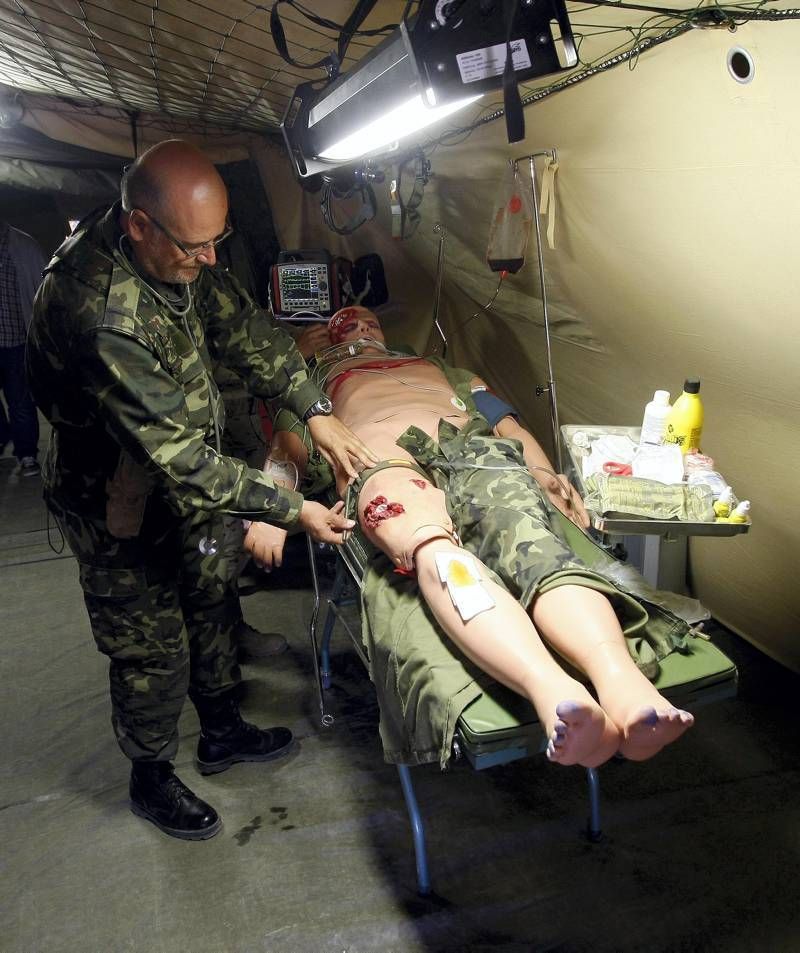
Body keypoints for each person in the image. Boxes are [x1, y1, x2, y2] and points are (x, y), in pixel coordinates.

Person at [25, 140, 377, 841]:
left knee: (210, 590)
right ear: (139, 228)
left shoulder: (179, 250)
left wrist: (314, 409)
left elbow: (246, 329)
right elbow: (178, 459)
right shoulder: (99, 313)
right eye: (195, 248)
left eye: (219, 241)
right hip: (116, 497)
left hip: (189, 472)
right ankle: (150, 774)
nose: (210, 260)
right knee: (149, 640)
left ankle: (221, 727)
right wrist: (291, 507)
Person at [244, 306, 695, 769]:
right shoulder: (310, 383)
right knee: (435, 552)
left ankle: (623, 686)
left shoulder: (442, 368)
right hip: (379, 461)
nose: (361, 330)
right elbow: (285, 453)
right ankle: (553, 693)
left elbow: (508, 426)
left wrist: (544, 476)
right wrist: (271, 512)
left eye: (370, 323)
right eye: (346, 326)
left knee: (535, 549)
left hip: (472, 450)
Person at [0, 219, 45, 475]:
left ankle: (27, 453)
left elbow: (41, 288)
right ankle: (2, 434)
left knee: (20, 401)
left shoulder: (23, 246)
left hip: (17, 342)